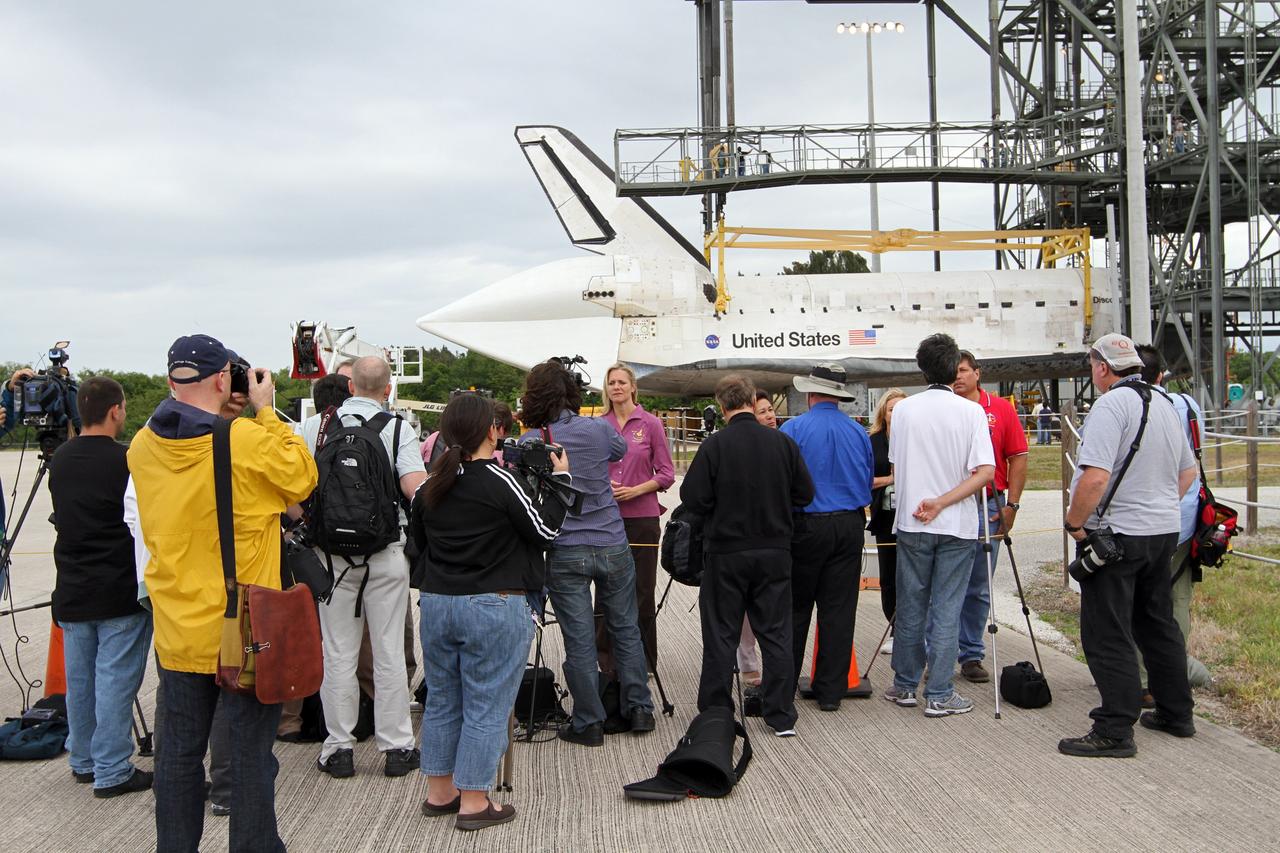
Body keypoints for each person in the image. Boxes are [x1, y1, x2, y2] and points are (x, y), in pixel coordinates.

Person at [127, 334, 317, 852]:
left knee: (178, 758)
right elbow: (301, 477)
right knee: (250, 759)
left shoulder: (143, 445)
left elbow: (187, 431)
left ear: (171, 380)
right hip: (242, 628)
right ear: (221, 379)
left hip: (176, 628)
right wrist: (264, 411)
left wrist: (224, 412)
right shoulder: (243, 441)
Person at [410, 394, 572, 831]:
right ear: (491, 431)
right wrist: (562, 479)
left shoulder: (429, 487)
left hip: (439, 603)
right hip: (493, 602)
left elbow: (417, 549)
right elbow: (544, 531)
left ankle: (439, 792)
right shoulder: (500, 481)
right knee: (486, 704)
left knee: (443, 701)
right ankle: (475, 801)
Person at [1059, 334, 1198, 758]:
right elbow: (1188, 473)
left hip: (1117, 533)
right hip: (1162, 532)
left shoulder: (1111, 406)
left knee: (1107, 630)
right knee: (1157, 624)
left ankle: (1115, 728)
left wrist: (1076, 523)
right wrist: (1155, 506)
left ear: (1102, 367)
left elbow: (1095, 477)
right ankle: (1177, 713)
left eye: (1092, 365)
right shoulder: (1165, 404)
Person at [518, 360, 654, 746]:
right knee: (625, 627)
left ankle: (588, 721)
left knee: (578, 639)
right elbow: (619, 449)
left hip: (566, 548)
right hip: (612, 541)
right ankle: (638, 708)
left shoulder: (533, 440)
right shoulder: (597, 428)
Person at [304, 356, 426, 780]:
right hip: (386, 552)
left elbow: (294, 490)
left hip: (332, 556)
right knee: (390, 648)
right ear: (388, 387)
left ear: (349, 383)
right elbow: (414, 488)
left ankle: (338, 747)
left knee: (338, 650)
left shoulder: (315, 428)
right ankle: (396, 747)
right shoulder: (398, 429)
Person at [680, 376, 814, 736]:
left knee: (721, 633)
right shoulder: (782, 444)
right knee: (775, 632)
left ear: (722, 406)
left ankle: (716, 711)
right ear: (754, 401)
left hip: (726, 552)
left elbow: (692, 498)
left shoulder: (714, 446)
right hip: (774, 550)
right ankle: (780, 714)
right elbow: (805, 493)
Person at [48, 377, 152, 798]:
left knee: (80, 679)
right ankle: (111, 767)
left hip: (72, 586)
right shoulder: (126, 461)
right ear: (116, 411)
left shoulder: (60, 459)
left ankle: (84, 759)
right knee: (115, 680)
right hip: (116, 587)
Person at [885, 334, 994, 718]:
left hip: (913, 520)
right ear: (955, 369)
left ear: (922, 368)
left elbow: (897, 464)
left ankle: (904, 684)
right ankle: (940, 691)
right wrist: (945, 501)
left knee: (912, 604)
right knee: (948, 607)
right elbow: (985, 472)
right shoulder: (971, 412)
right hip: (956, 523)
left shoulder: (904, 412)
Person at [779, 364, 874, 712]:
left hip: (805, 524)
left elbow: (784, 485)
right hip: (849, 524)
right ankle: (831, 691)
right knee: (839, 608)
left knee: (795, 607)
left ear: (809, 394)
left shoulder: (793, 429)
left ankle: (784, 686)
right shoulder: (858, 432)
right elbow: (866, 486)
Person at [1134, 345, 1211, 693]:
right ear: (1162, 375)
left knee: (1138, 599)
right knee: (1177, 598)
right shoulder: (1188, 406)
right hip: (1187, 515)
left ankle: (1144, 678)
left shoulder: (1131, 405)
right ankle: (1174, 675)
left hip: (1145, 519)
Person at [950, 351, 1029, 684]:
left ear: (978, 374)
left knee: (978, 585)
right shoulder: (945, 408)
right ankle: (937, 652)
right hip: (952, 503)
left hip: (990, 504)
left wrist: (1012, 505)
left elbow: (1018, 457)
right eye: (954, 372)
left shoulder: (1001, 409)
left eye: (964, 371)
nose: (959, 377)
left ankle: (970, 654)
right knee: (945, 582)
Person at [596, 364, 675, 678]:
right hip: (605, 520)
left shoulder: (651, 424)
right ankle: (606, 663)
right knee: (604, 592)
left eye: (621, 382)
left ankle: (643, 663)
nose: (616, 387)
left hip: (641, 517)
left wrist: (636, 490)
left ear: (632, 388)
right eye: (611, 382)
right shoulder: (598, 426)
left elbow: (666, 473)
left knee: (642, 592)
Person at [735, 389, 780, 683]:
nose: (769, 415)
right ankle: (748, 663)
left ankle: (777, 669)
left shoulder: (784, 445)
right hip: (743, 539)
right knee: (744, 612)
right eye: (762, 411)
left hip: (775, 538)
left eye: (770, 411)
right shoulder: (739, 447)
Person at [867, 388, 907, 655]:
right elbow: (864, 479)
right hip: (884, 516)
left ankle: (912, 630)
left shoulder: (918, 438)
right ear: (884, 412)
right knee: (889, 577)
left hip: (912, 517)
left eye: (902, 408)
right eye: (892, 409)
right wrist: (892, 479)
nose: (897, 414)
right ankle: (893, 627)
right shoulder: (873, 441)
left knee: (914, 576)